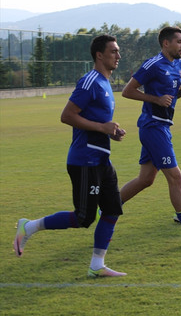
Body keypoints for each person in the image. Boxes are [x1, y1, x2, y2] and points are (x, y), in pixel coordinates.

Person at [14, 35, 128, 277]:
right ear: (99, 55)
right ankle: (29, 226)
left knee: (112, 210)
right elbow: (67, 116)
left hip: (101, 159)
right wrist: (101, 128)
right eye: (113, 51)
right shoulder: (89, 82)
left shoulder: (105, 82)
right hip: (84, 160)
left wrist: (112, 132)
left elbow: (96, 121)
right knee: (84, 217)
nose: (118, 55)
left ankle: (97, 265)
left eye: (118, 51)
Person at [119, 26, 181, 243]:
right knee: (176, 177)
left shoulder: (179, 65)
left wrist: (180, 93)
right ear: (166, 43)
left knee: (145, 180)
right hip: (152, 126)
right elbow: (128, 91)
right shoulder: (152, 64)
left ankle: (108, 206)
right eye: (179, 41)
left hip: (163, 127)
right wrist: (155, 99)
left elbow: (170, 97)